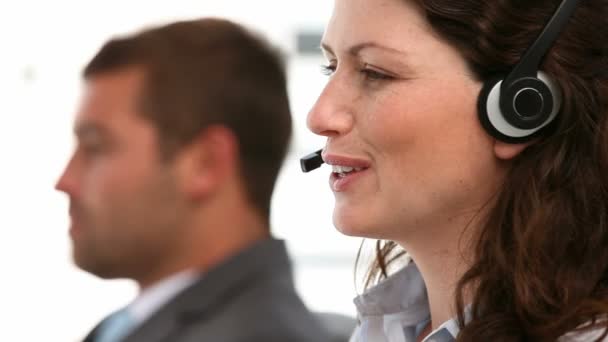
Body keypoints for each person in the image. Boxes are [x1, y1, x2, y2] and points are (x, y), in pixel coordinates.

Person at [305, 0, 608, 340]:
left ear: (522, 107)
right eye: (330, 67)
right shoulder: (387, 328)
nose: (319, 117)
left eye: (375, 72)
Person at [56, 18, 330, 342]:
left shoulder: (260, 334)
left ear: (206, 163)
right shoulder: (130, 324)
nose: (65, 181)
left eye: (96, 147)